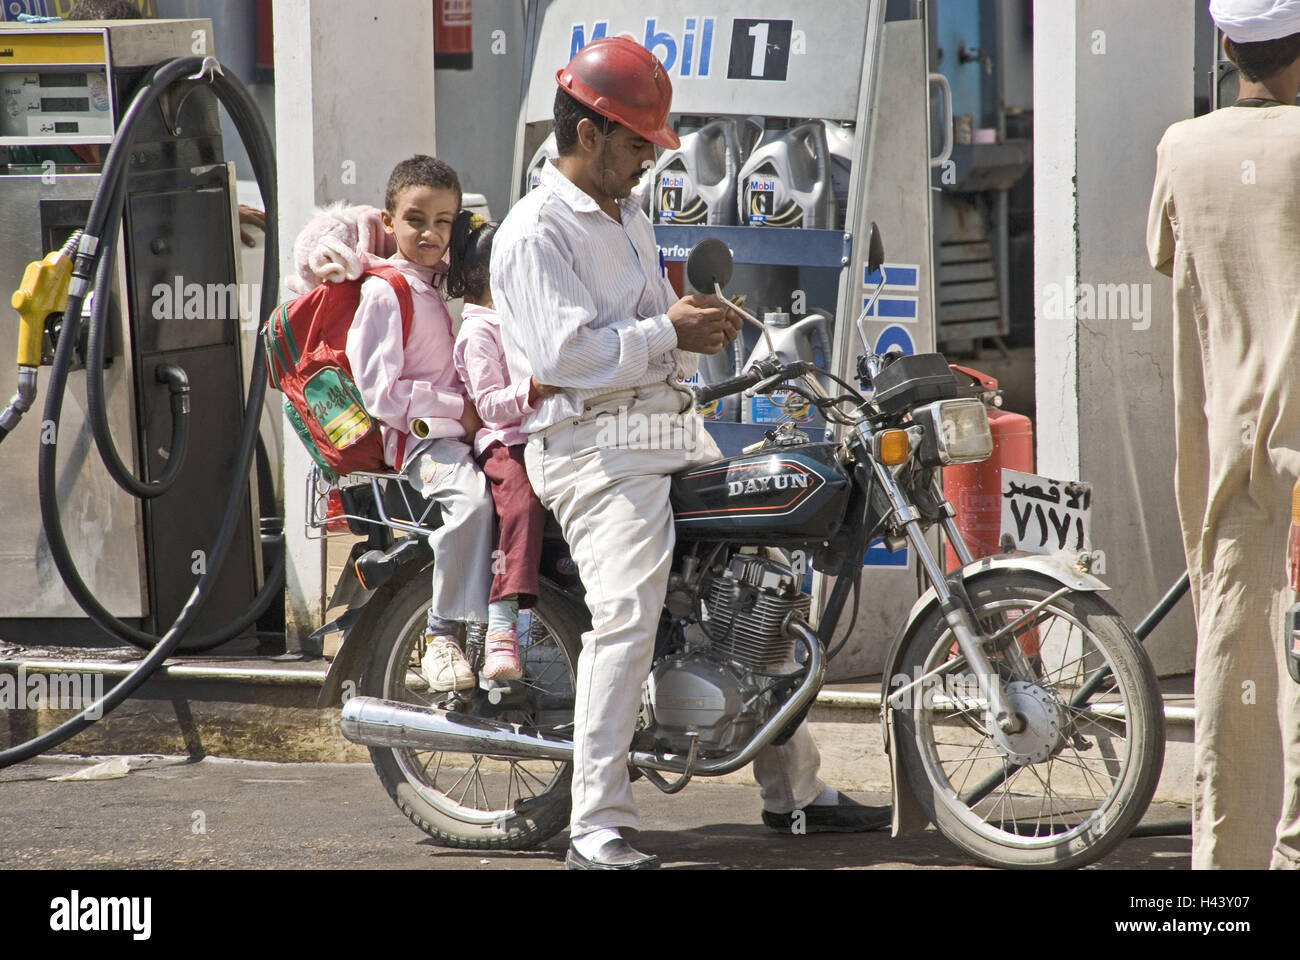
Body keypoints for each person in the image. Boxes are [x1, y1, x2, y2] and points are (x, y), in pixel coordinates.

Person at [492, 36, 890, 870]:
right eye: (639, 143)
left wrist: (694, 329)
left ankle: (794, 793)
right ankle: (596, 824)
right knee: (629, 617)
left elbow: (643, 335)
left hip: (668, 430)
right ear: (592, 132)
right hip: (595, 450)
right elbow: (565, 360)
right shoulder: (534, 232)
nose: (648, 161)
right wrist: (663, 332)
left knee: (761, 583)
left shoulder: (627, 214)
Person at [1147, 0, 1300, 869]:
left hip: (1231, 464)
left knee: (1236, 668)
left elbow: (1172, 259)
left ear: (1225, 41)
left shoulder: (1181, 148)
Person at [345, 154, 493, 694]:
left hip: (464, 436)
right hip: (423, 447)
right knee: (473, 504)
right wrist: (460, 411)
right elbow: (379, 393)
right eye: (415, 220)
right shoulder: (388, 291)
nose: (429, 233)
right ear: (389, 223)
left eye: (443, 222)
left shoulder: (440, 287)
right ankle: (441, 634)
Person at [450, 218, 558, 679]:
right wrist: (533, 390)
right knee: (523, 503)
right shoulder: (478, 333)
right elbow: (491, 405)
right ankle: (500, 626)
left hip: (543, 434)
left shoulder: (520, 319)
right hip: (504, 444)